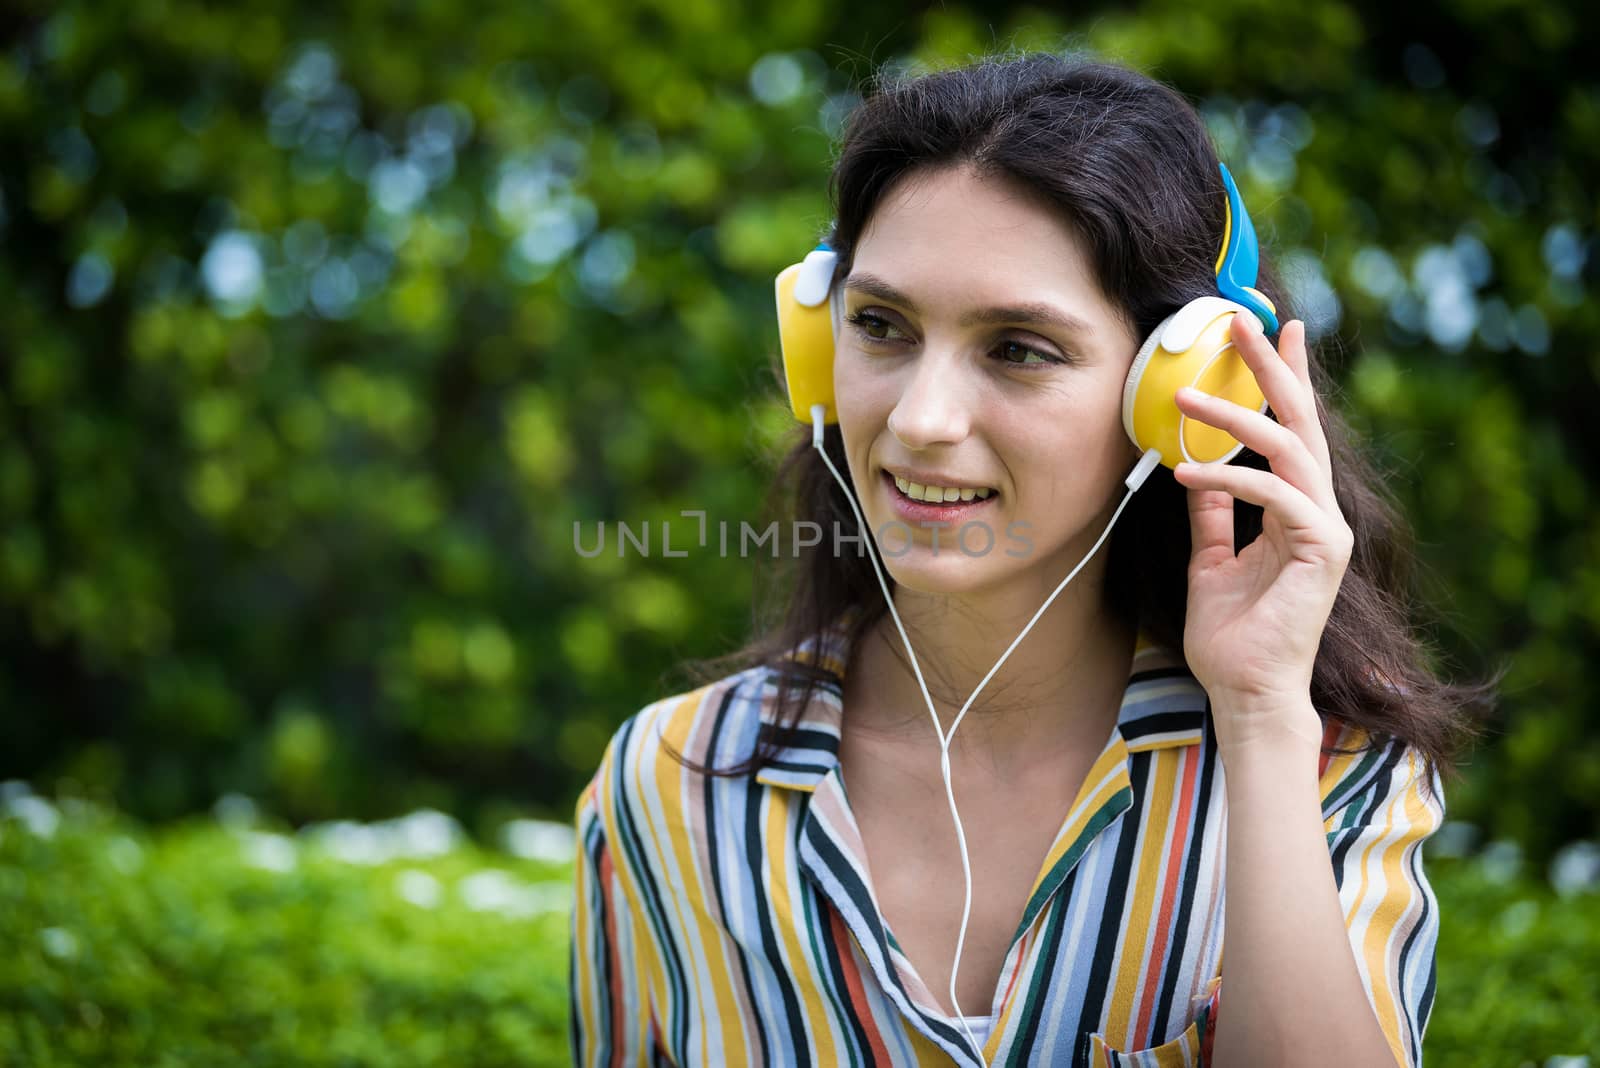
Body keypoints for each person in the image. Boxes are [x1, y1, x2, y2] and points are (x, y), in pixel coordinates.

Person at [569, 53, 1492, 1067]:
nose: (920, 420)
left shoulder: (1324, 769)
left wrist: (1263, 713)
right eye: (879, 326)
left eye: (1018, 348)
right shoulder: (667, 784)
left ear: (1177, 393)